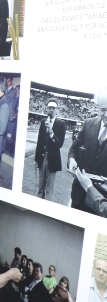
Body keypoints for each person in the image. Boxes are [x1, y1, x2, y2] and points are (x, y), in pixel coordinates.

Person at [68, 87, 107, 215]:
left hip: (101, 199)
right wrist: (72, 159)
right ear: (98, 108)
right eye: (103, 110)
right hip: (79, 194)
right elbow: (74, 148)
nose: (105, 114)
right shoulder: (88, 123)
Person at [34, 99, 66, 201]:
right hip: (42, 158)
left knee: (49, 189)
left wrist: (51, 132)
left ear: (56, 110)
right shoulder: (43, 122)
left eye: (53, 108)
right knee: (40, 188)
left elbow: (60, 144)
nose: (51, 110)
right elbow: (39, 142)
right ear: (47, 108)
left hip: (52, 159)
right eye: (49, 108)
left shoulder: (61, 124)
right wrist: (36, 159)